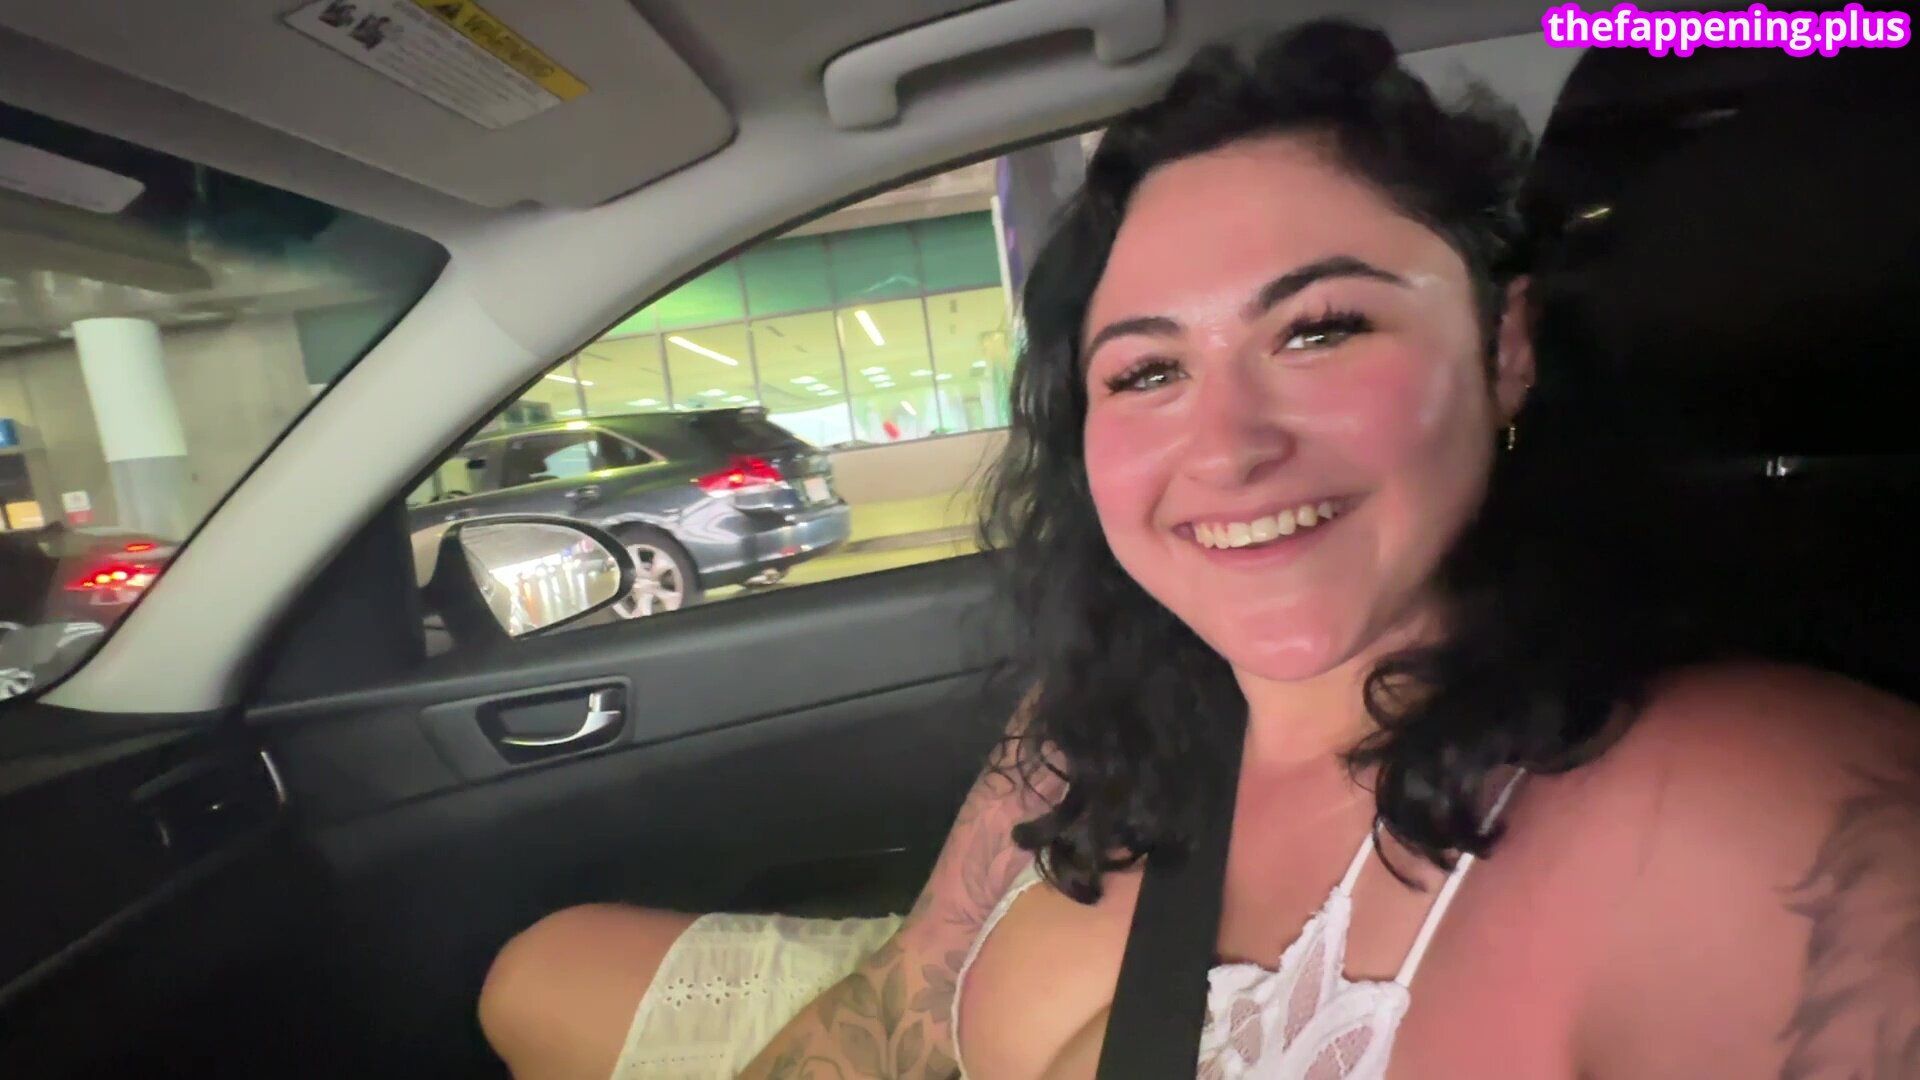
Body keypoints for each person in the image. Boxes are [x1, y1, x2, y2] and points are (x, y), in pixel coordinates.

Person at [477, 19, 1920, 1080]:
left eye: (1322, 328)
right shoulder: (1103, 706)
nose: (1226, 448)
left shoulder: (1771, 822)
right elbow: (902, 1006)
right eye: (1149, 370)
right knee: (531, 970)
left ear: (1506, 348)